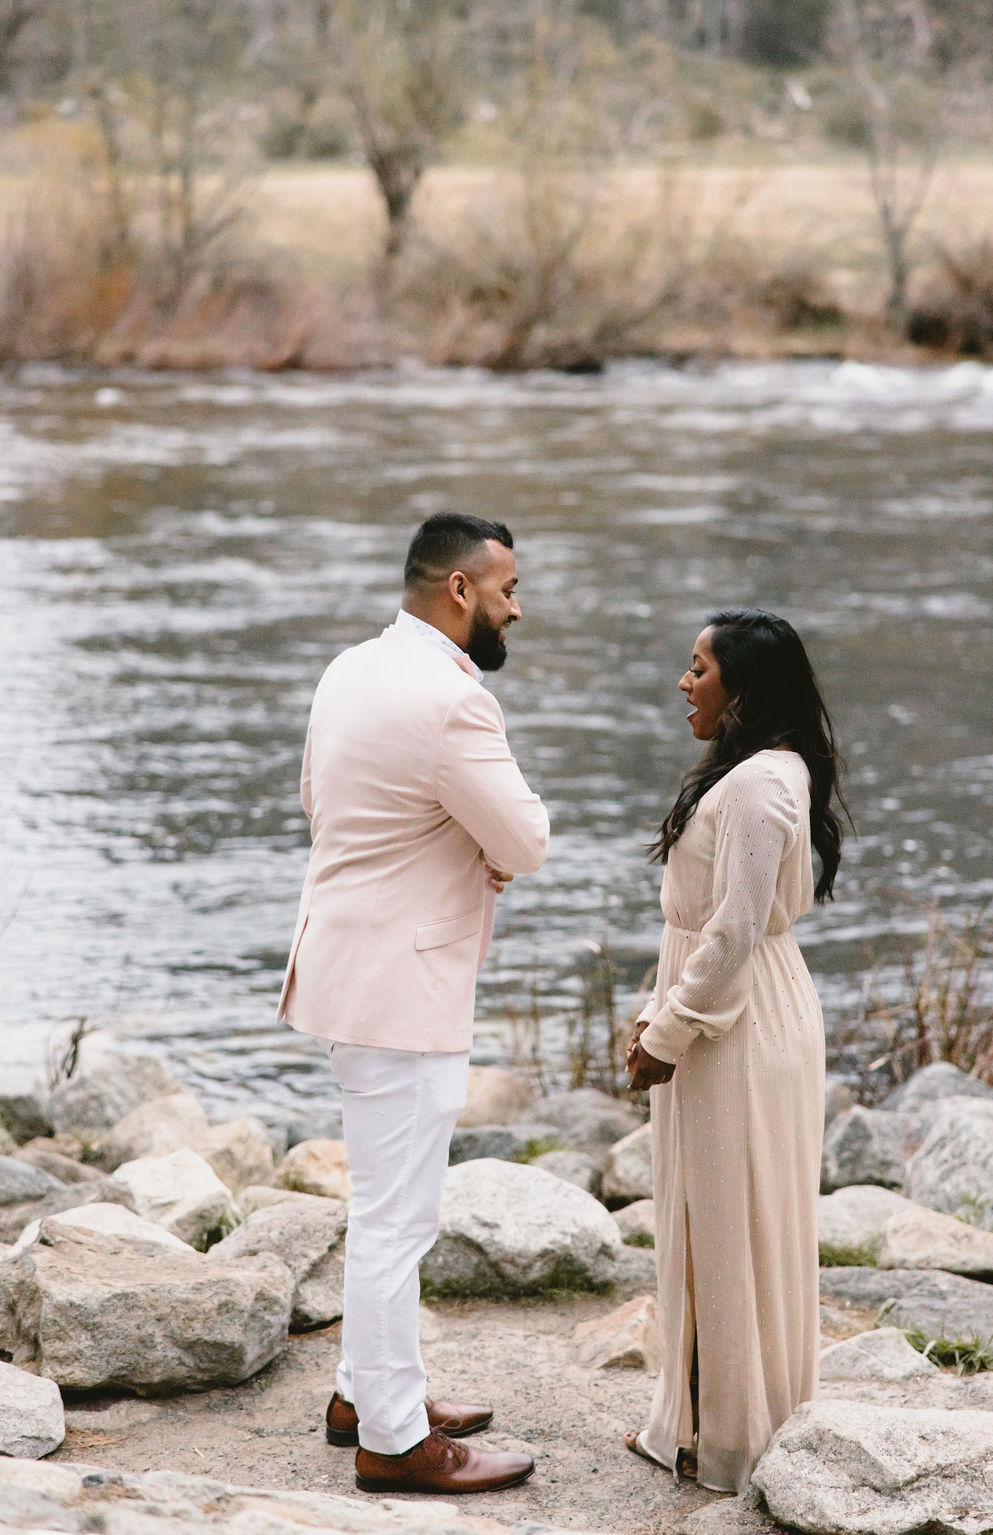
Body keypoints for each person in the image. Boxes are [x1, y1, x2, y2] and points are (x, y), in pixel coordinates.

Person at [277, 512, 549, 1496]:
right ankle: (392, 1441)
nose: (518, 605)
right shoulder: (452, 699)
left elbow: (324, 802)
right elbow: (523, 837)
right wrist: (478, 852)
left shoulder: (349, 666)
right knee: (399, 1220)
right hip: (405, 983)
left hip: (344, 964)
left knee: (381, 1208)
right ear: (461, 591)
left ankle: (364, 1390)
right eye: (508, 587)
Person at [625, 608, 848, 1495]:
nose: (685, 682)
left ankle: (734, 1437)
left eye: (699, 668)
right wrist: (657, 1006)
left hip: (736, 1020)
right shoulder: (759, 772)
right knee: (709, 1218)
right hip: (730, 1004)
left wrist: (669, 1030)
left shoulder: (759, 785)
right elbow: (704, 930)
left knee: (730, 1224)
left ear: (744, 687)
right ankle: (702, 1414)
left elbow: (734, 930)